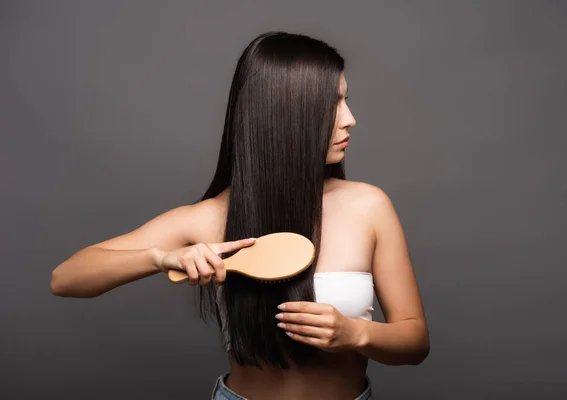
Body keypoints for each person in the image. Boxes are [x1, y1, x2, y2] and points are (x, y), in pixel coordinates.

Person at [50, 31, 429, 400]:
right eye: (333, 103)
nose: (349, 119)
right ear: (288, 113)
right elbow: (65, 279)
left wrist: (355, 334)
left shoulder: (369, 206)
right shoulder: (208, 218)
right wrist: (161, 258)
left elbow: (415, 342)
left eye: (347, 100)